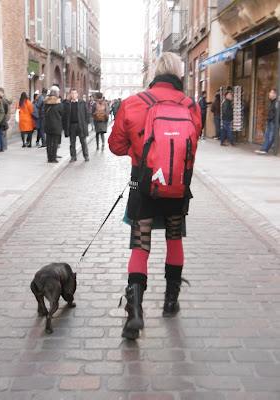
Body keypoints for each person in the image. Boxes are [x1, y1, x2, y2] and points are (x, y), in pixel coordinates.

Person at [108, 52, 202, 340]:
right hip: (177, 184)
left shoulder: (133, 103)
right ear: (178, 74)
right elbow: (193, 144)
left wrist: (141, 152)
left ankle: (135, 311)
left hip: (143, 182)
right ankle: (171, 303)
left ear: (154, 72)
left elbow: (114, 145)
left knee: (140, 244)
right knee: (174, 239)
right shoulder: (191, 106)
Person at [63, 88, 90, 162]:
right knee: (72, 142)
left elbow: (87, 113)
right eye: (72, 93)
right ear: (70, 94)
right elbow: (64, 115)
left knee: (83, 141)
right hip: (71, 125)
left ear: (77, 94)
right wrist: (65, 126)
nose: (73, 95)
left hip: (80, 125)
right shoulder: (67, 104)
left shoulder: (82, 103)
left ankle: (86, 155)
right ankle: (73, 157)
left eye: (75, 93)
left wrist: (86, 123)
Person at [255, 89, 277, 155]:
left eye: (271, 92)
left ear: (275, 94)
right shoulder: (271, 101)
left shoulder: (277, 102)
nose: (269, 93)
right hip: (269, 120)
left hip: (273, 122)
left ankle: (265, 149)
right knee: (266, 135)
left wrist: (273, 120)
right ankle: (263, 149)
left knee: (271, 136)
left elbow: (276, 113)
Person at [44, 86, 63, 163]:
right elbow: (62, 113)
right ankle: (53, 158)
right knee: (55, 142)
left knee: (48, 142)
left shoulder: (46, 103)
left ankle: (49, 158)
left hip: (48, 125)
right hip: (56, 126)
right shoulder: (58, 104)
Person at [0, 88, 9, 152]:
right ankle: (2, 147)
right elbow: (6, 110)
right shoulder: (5, 101)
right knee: (1, 133)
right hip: (3, 119)